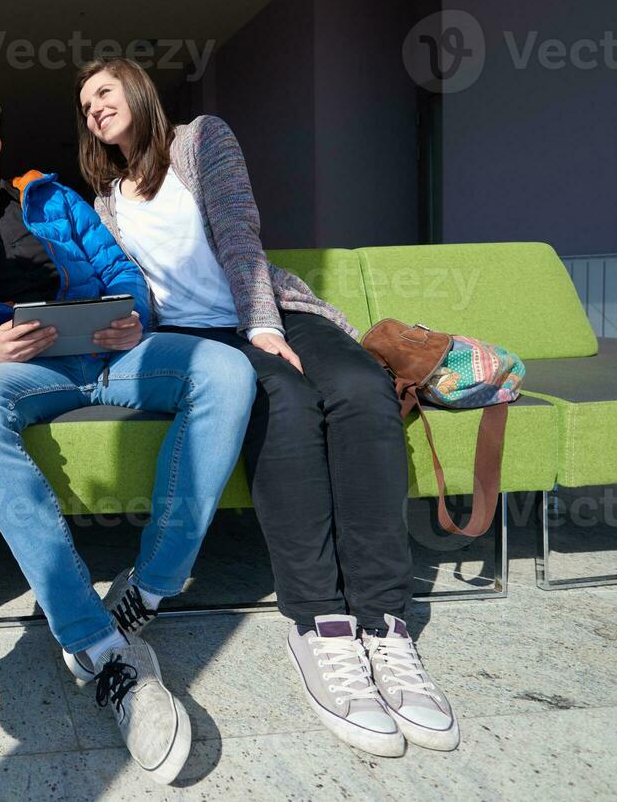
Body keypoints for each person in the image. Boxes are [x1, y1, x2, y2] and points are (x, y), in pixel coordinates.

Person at [79, 57, 461, 757]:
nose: (93, 108)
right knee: (280, 402)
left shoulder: (199, 139)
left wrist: (261, 322)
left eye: (103, 91)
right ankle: (321, 626)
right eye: (83, 104)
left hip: (268, 309)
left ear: (137, 88)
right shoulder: (105, 199)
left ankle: (383, 621)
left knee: (360, 390)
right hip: (199, 339)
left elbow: (237, 232)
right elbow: (130, 288)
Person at [0, 85, 256, 785]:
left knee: (226, 371)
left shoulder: (53, 199)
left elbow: (117, 271)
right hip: (28, 371)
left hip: (109, 353)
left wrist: (129, 319)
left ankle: (152, 582)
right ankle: (89, 636)